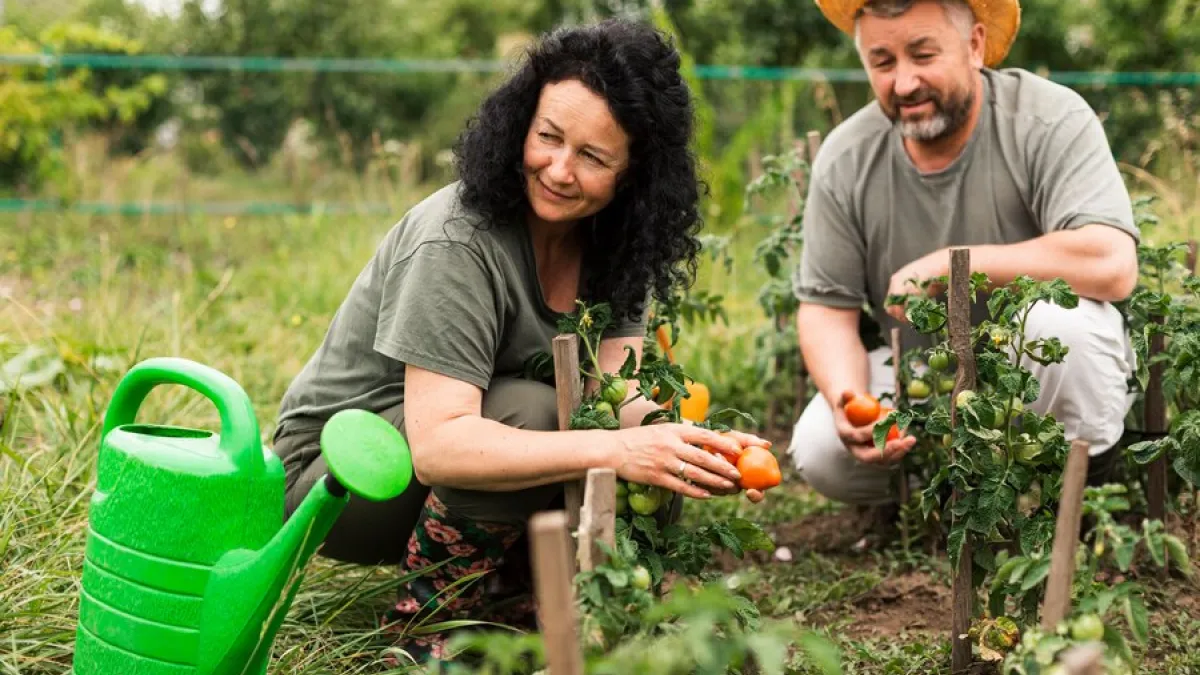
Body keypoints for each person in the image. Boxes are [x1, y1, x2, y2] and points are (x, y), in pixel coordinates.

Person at [270, 18, 769, 662]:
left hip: (432, 458)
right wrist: (621, 449)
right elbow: (441, 448)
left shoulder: (616, 245)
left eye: (592, 157)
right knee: (532, 412)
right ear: (520, 124)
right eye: (548, 138)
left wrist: (695, 447)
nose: (559, 170)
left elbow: (615, 395)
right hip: (337, 478)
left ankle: (532, 600)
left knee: (651, 445)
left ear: (633, 175)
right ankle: (430, 630)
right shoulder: (457, 240)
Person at [787, 0, 1140, 520]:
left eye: (923, 55)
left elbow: (1111, 263)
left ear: (975, 46)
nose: (904, 83)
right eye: (883, 63)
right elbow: (825, 308)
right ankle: (942, 493)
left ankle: (1075, 498)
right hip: (927, 376)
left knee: (1057, 324)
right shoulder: (847, 158)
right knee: (821, 448)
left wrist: (956, 265)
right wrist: (849, 400)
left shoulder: (1048, 118)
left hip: (1035, 373)